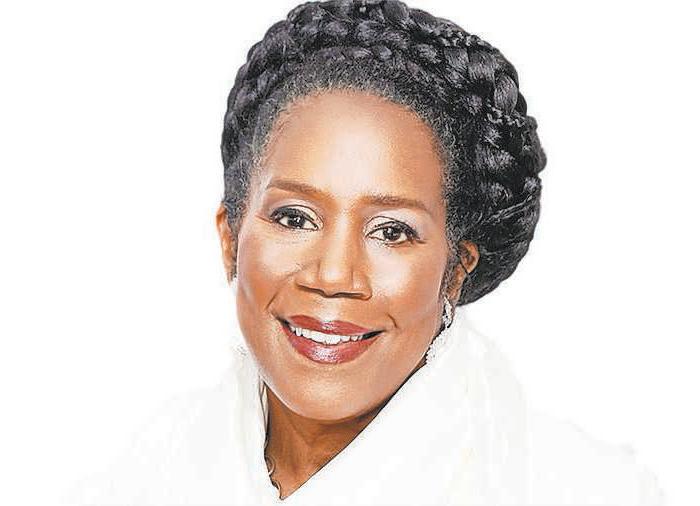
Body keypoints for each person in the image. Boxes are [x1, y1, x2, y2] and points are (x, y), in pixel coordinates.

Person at [66, 0, 664, 504]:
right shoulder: (141, 479)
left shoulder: (583, 489)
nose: (333, 275)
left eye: (391, 231)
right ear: (230, 239)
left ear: (456, 269)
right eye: (295, 218)